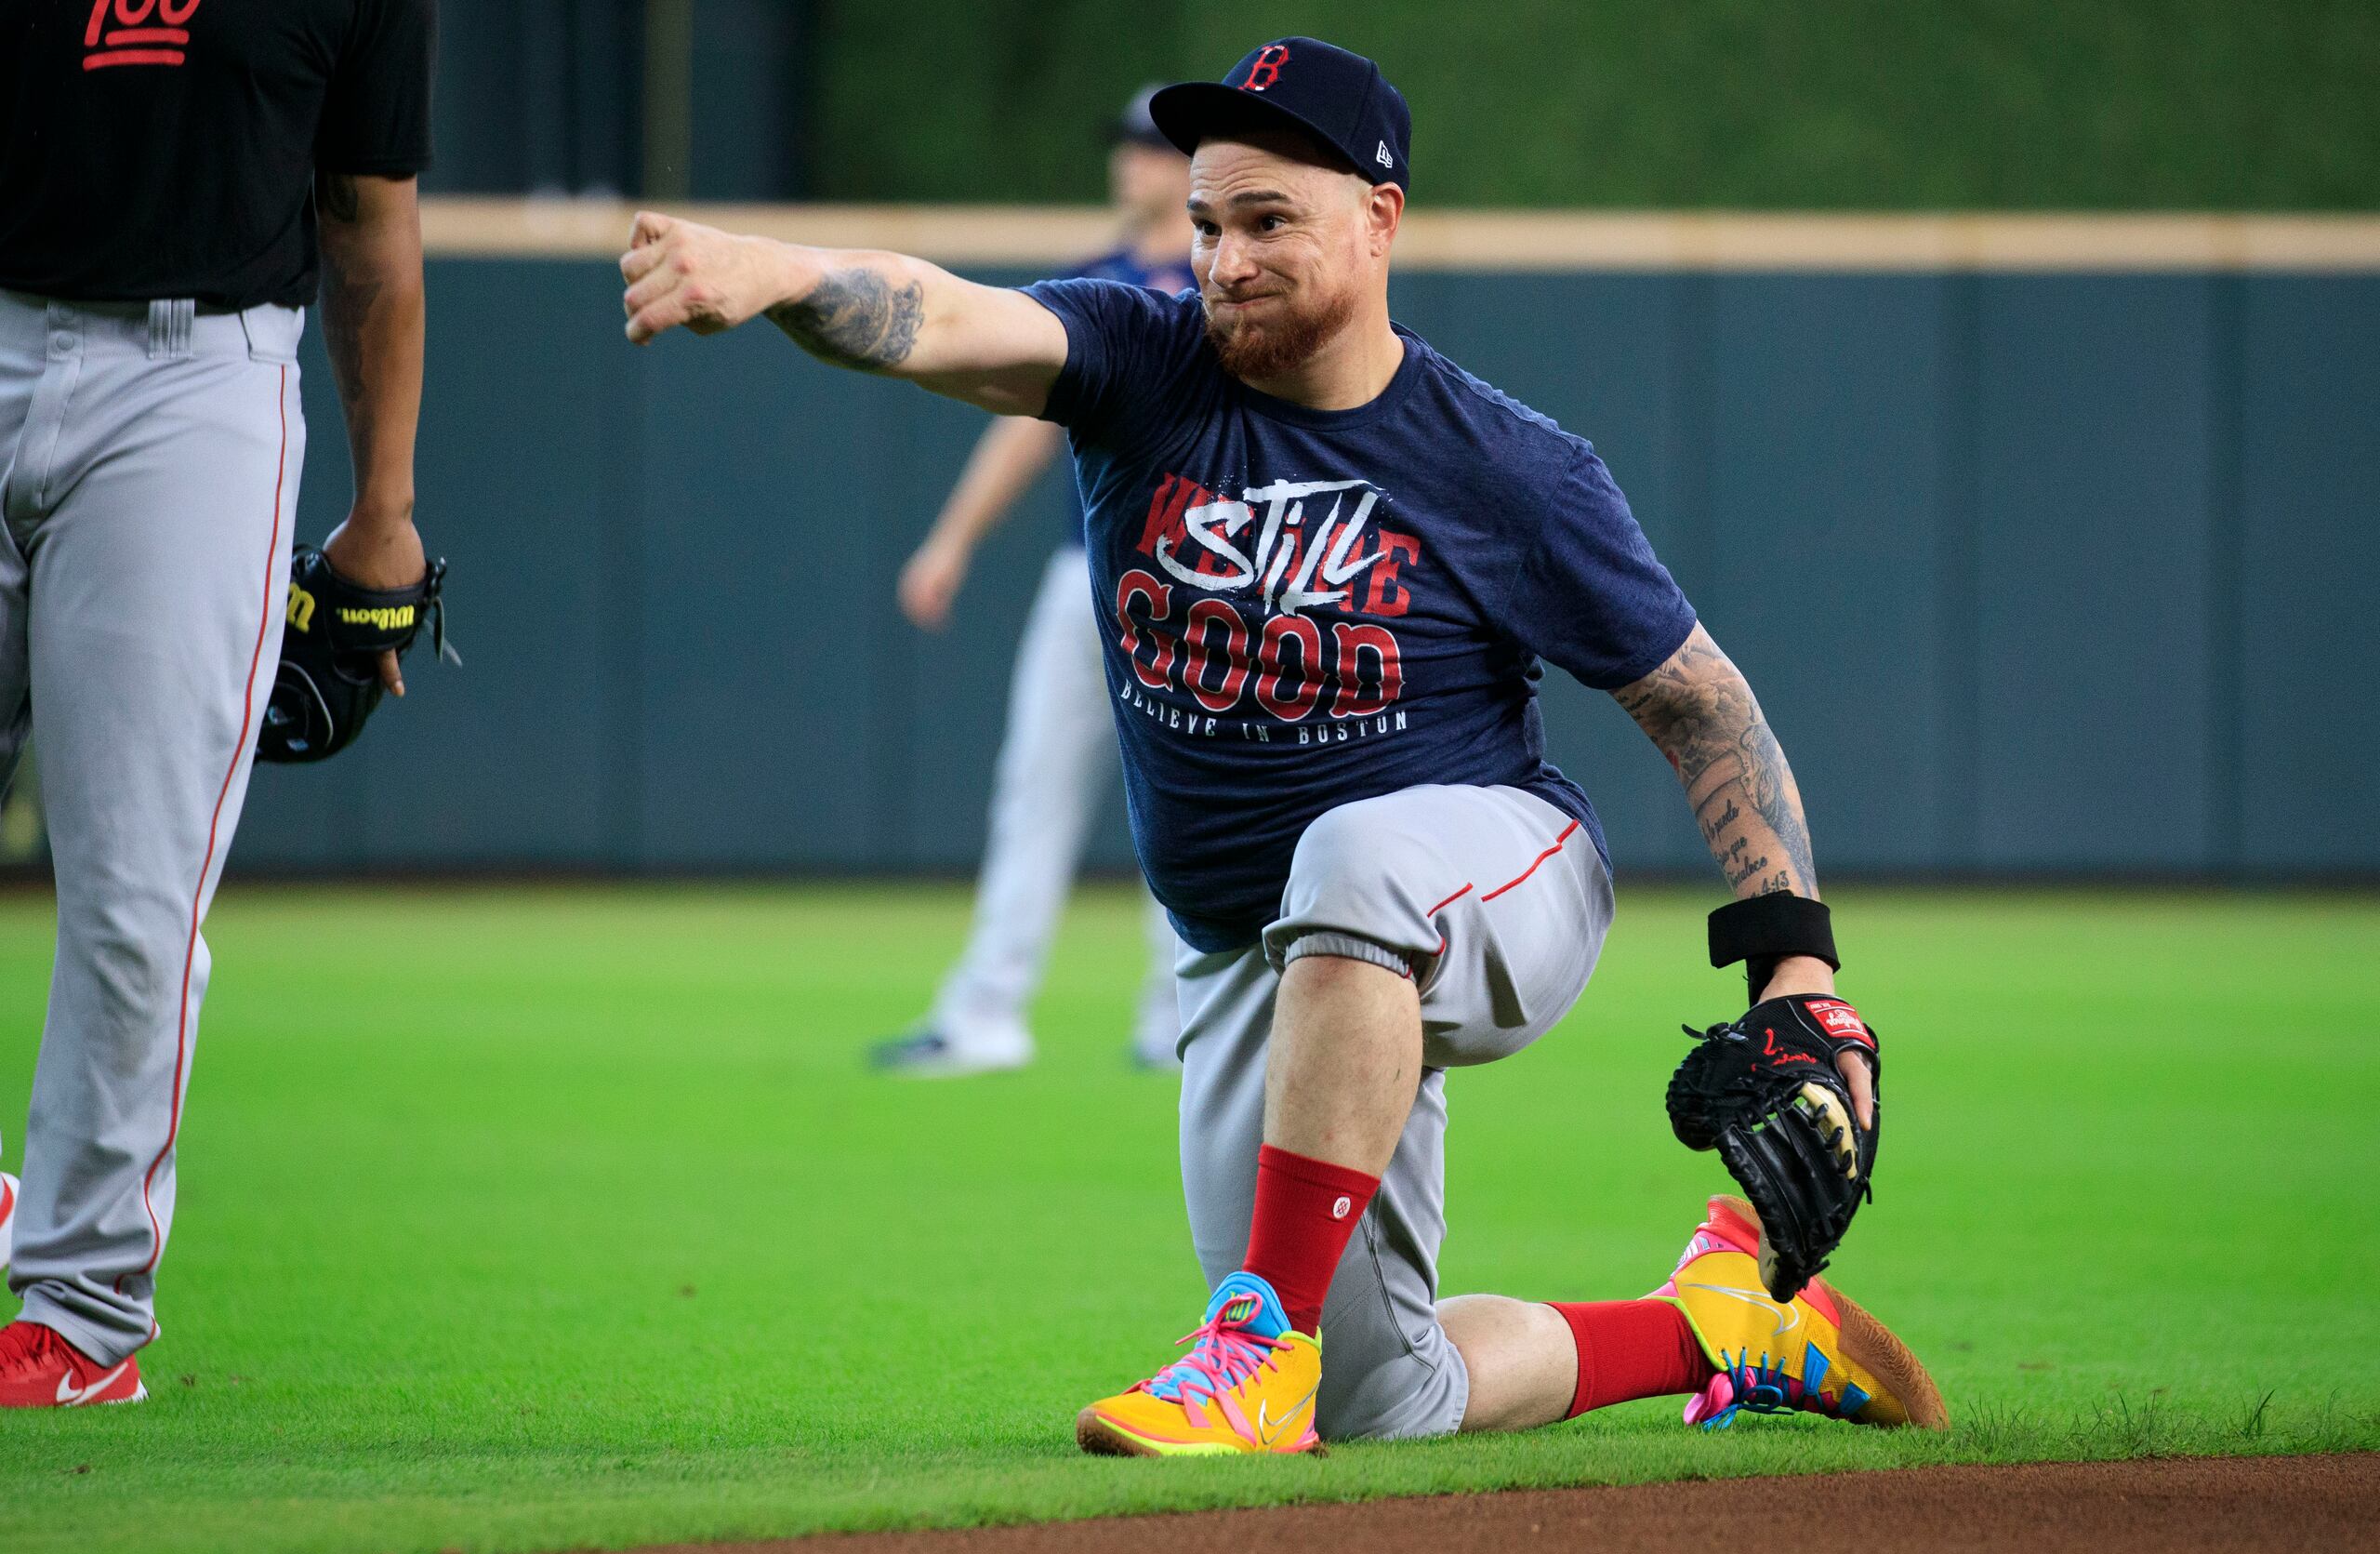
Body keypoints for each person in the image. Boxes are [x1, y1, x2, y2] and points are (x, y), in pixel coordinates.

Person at [618, 35, 1945, 1454]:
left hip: (1496, 871)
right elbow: (942, 318)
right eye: (1204, 224)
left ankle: (1252, 1339)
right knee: (1384, 1394)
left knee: (1354, 857)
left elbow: (1703, 705)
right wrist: (785, 275)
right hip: (1258, 950)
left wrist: (1797, 971)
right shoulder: (1144, 363)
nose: (1224, 258)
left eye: (1267, 222)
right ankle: (1725, 1321)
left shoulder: (1506, 463)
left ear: (1379, 219)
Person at [0, 0, 438, 1407]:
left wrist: (385, 511)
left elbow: (370, 227)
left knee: (135, 884)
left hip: (190, 384)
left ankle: (76, 1307)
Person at [873, 89, 1195, 1077]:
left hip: (1204, 583)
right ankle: (985, 1014)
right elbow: (1022, 424)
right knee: (1034, 789)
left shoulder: (1235, 281)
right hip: (1088, 575)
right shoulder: (1095, 283)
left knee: (1190, 798)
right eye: (1126, 147)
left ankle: (1181, 1025)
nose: (1130, 164)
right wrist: (951, 540)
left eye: (1150, 149)